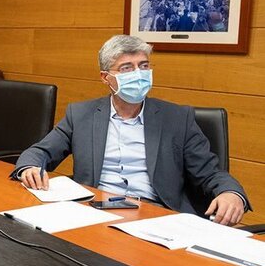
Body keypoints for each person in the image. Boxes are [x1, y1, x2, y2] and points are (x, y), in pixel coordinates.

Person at [13, 35, 250, 226]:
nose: (138, 74)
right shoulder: (81, 114)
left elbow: (210, 173)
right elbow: (40, 152)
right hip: (93, 213)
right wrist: (30, 167)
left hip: (156, 216)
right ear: (106, 78)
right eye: (126, 68)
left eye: (143, 66)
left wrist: (232, 193)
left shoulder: (178, 118)